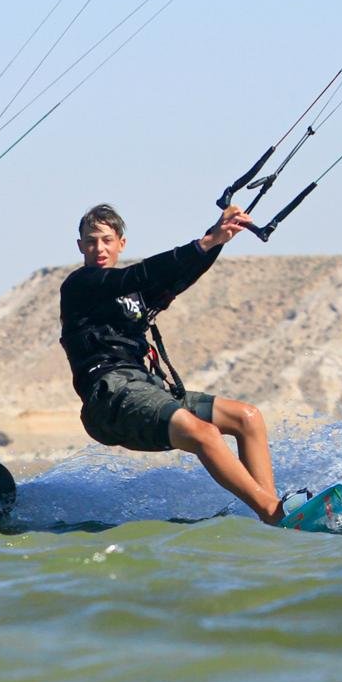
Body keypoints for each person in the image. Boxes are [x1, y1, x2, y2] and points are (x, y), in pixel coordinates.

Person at [59, 202, 287, 524]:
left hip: (143, 387)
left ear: (121, 244)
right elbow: (138, 275)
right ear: (80, 246)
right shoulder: (80, 285)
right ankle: (274, 512)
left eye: (107, 240)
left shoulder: (134, 297)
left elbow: (179, 277)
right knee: (205, 434)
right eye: (92, 241)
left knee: (247, 418)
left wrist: (217, 238)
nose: (99, 248)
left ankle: (275, 513)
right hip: (109, 396)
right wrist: (205, 242)